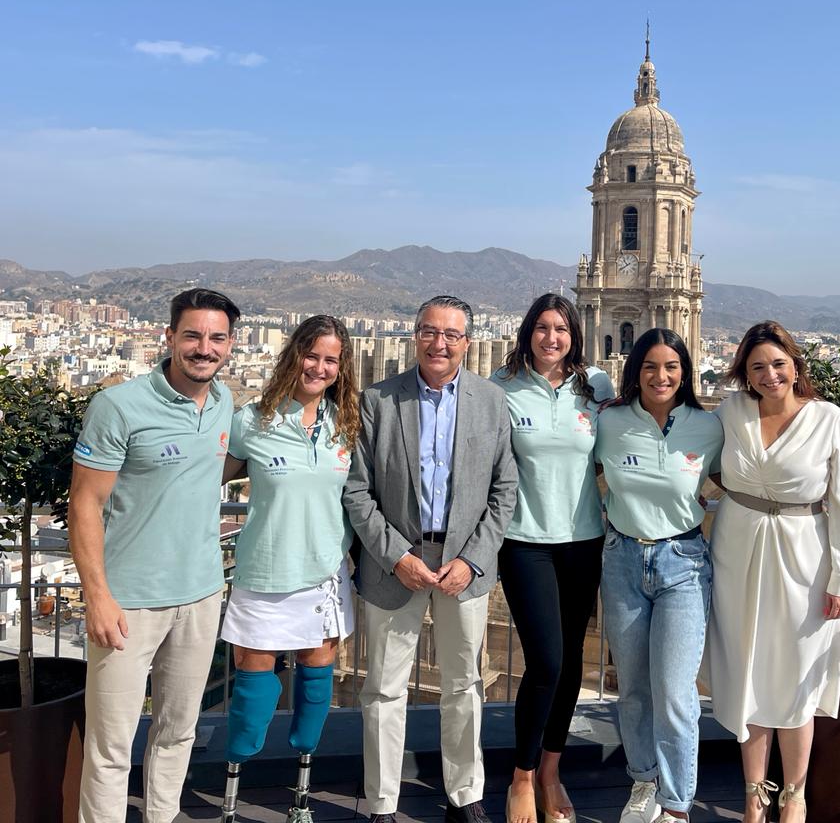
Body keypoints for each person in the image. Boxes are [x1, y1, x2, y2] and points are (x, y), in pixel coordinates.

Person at [342, 294, 518, 823]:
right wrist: (396, 555)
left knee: (464, 685)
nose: (440, 343)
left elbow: (504, 489)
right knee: (383, 689)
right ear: (415, 335)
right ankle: (381, 804)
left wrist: (472, 559)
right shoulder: (378, 400)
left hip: (462, 566)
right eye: (430, 331)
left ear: (468, 341)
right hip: (397, 563)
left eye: (452, 334)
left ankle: (465, 797)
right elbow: (357, 491)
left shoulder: (490, 401)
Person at [69, 287, 241, 823]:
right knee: (111, 746)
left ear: (231, 345)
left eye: (216, 338)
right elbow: (85, 504)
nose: (203, 348)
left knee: (176, 732)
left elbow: (213, 471)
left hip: (201, 594)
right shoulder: (119, 406)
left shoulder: (223, 403)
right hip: (129, 602)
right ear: (168, 337)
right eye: (191, 335)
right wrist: (96, 595)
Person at [706, 321, 840, 823]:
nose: (769, 374)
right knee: (746, 668)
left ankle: (794, 796)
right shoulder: (731, 412)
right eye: (757, 367)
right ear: (744, 375)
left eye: (778, 363)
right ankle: (754, 795)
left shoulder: (829, 420)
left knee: (796, 677)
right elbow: (699, 468)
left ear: (795, 366)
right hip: (737, 553)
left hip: (805, 560)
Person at [217, 315, 361, 823]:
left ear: (341, 367)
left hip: (323, 575)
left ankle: (301, 798)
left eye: (331, 359)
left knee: (316, 690)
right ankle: (233, 795)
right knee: (253, 696)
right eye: (312, 355)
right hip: (263, 572)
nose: (319, 367)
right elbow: (208, 478)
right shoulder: (251, 420)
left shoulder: (347, 425)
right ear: (293, 354)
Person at [492, 294, 615, 823]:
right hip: (523, 542)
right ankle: (521, 775)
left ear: (574, 334)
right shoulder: (500, 390)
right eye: (541, 328)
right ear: (527, 334)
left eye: (561, 328)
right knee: (545, 661)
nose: (551, 337)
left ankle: (550, 769)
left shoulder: (597, 388)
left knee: (565, 668)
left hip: (583, 540)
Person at [595, 329, 723, 823]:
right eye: (650, 366)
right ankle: (643, 780)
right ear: (635, 372)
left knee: (674, 692)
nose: (660, 376)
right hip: (622, 561)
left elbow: (739, 479)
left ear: (685, 373)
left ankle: (675, 805)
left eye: (671, 366)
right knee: (632, 688)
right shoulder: (610, 423)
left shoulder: (707, 427)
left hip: (683, 566)